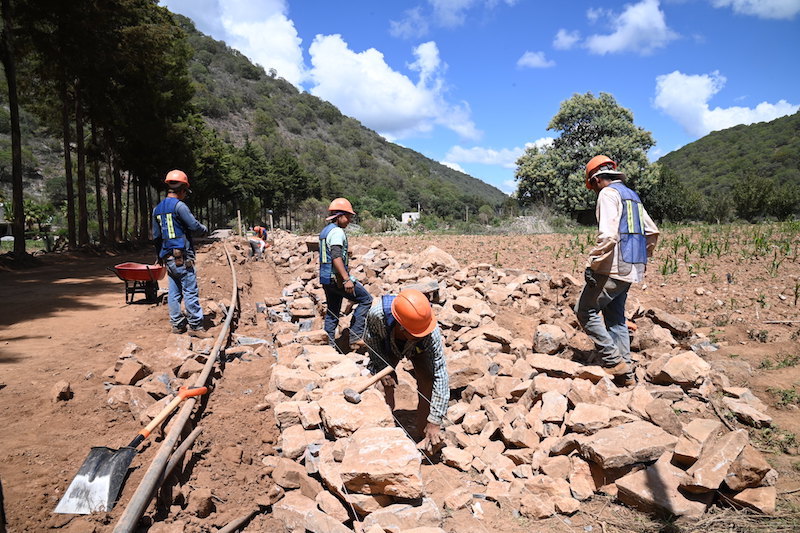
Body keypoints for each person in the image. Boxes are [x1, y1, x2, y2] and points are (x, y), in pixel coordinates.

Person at [575, 155, 659, 385]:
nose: (594, 191)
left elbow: (608, 235)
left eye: (593, 186)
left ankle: (613, 361)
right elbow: (652, 232)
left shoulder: (608, 194)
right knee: (615, 319)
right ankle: (627, 374)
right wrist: (642, 256)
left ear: (597, 179)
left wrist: (594, 263)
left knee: (584, 310)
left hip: (613, 268)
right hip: (632, 267)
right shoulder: (632, 196)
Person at [363, 289, 449, 446]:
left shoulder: (429, 331)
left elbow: (440, 373)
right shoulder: (378, 315)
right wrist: (384, 369)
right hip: (389, 343)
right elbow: (372, 342)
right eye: (416, 333)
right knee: (384, 382)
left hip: (419, 349)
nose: (421, 334)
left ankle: (425, 435)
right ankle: (385, 430)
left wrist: (436, 420)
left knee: (428, 382)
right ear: (401, 326)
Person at [152, 169, 210, 337]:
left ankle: (177, 324)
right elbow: (193, 226)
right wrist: (204, 230)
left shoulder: (157, 209)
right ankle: (196, 326)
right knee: (190, 291)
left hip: (168, 257)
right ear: (183, 189)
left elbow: (156, 236)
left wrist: (160, 257)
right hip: (182, 256)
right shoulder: (179, 206)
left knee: (174, 292)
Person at [319, 198, 372, 348]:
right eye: (348, 216)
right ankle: (355, 337)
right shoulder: (337, 232)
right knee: (365, 299)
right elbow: (336, 256)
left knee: (333, 311)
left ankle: (329, 345)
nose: (349, 220)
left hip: (325, 278)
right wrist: (346, 279)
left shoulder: (325, 231)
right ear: (340, 216)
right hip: (337, 278)